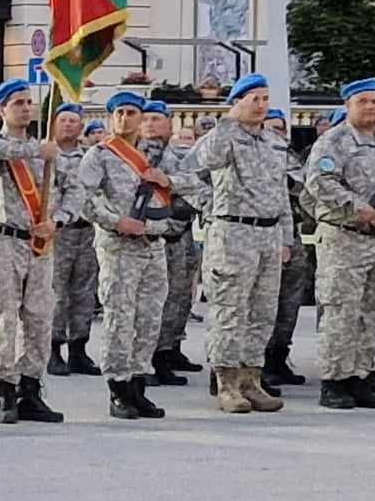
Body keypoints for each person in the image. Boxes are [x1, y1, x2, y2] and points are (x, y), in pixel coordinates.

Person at [180, 74, 292, 414]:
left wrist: (286, 237)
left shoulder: (273, 141)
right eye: (253, 98)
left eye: (265, 98)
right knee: (230, 311)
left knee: (262, 312)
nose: (261, 105)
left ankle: (251, 380)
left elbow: (281, 193)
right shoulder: (223, 135)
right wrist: (211, 205)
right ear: (237, 102)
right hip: (233, 233)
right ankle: (226, 383)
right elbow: (189, 172)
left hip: (268, 235)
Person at [0, 79, 74, 423]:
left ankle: (31, 390)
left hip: (40, 244)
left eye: (29, 102)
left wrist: (57, 221)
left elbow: (74, 190)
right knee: (5, 316)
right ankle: (6, 392)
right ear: (1, 109)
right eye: (17, 103)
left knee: (39, 317)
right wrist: (36, 152)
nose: (26, 108)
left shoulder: (47, 151)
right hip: (6, 241)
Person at [302, 78, 375, 409]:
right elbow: (319, 181)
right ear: (348, 106)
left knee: (372, 312)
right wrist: (355, 206)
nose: (371, 107)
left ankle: (360, 376)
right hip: (344, 237)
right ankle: (334, 381)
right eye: (363, 101)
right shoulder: (333, 141)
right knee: (340, 311)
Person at [78, 91, 176, 420]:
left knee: (149, 317)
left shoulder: (156, 154)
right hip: (118, 245)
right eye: (118, 112)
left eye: (131, 112)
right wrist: (116, 220)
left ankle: (138, 384)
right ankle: (118, 388)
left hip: (153, 245)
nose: (124, 118)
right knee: (120, 317)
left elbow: (191, 183)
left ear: (141, 117)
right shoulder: (100, 155)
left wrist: (167, 179)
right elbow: (84, 198)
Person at [144, 101, 203, 386]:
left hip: (178, 235)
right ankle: (148, 361)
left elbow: (195, 185)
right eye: (146, 118)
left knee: (177, 298)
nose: (150, 124)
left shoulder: (176, 156)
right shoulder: (135, 156)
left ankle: (167, 351)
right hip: (149, 238)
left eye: (157, 118)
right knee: (151, 302)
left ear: (170, 123)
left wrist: (169, 182)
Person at [46, 103, 102, 377]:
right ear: (54, 124)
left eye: (73, 120)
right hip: (57, 231)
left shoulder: (91, 157)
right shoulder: (45, 154)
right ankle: (53, 348)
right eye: (63, 120)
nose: (68, 125)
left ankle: (79, 348)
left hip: (86, 229)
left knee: (85, 291)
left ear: (81, 127)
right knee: (56, 292)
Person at [264, 107, 312, 388]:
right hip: (262, 235)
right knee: (264, 303)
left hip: (292, 234)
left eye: (280, 128)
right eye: (271, 127)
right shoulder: (254, 154)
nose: (276, 133)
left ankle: (280, 357)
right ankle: (260, 362)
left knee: (290, 302)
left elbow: (304, 186)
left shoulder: (289, 156)